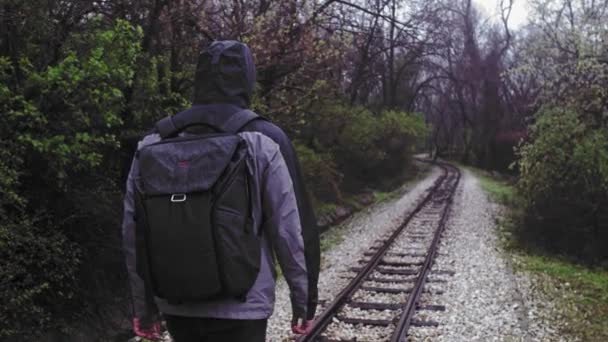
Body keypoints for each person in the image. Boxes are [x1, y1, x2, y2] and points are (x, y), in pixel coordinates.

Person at [122, 40, 320, 341]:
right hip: (243, 306)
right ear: (247, 79)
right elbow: (292, 231)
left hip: (177, 303)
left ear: (198, 79)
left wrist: (143, 307)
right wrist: (304, 302)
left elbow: (133, 234)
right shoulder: (264, 139)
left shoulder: (153, 142)